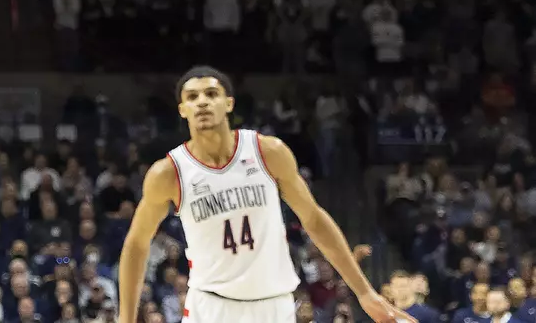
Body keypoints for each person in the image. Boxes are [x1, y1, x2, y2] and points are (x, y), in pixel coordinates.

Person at [117, 67, 413, 323]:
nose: (202, 102)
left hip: (275, 304)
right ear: (182, 110)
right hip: (211, 306)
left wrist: (364, 292)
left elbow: (313, 218)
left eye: (211, 94)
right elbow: (136, 244)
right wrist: (125, 319)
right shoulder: (169, 172)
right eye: (192, 97)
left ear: (229, 103)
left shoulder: (267, 152)